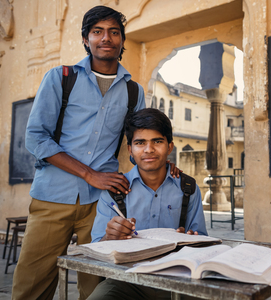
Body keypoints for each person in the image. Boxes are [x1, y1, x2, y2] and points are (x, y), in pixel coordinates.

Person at [13, 6, 178, 300]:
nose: (106, 38)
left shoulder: (133, 91)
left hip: (104, 202)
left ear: (122, 41)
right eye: (98, 31)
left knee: (100, 283)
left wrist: (166, 166)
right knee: (32, 282)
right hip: (53, 195)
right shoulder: (61, 78)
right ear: (86, 39)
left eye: (114, 32)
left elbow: (139, 141)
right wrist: (90, 174)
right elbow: (36, 137)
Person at [87, 108, 207, 299]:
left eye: (157, 141)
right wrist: (109, 238)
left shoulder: (188, 188)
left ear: (169, 147)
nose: (148, 149)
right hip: (126, 281)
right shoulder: (114, 191)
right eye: (140, 143)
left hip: (178, 281)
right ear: (130, 150)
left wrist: (194, 240)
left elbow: (203, 241)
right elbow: (95, 249)